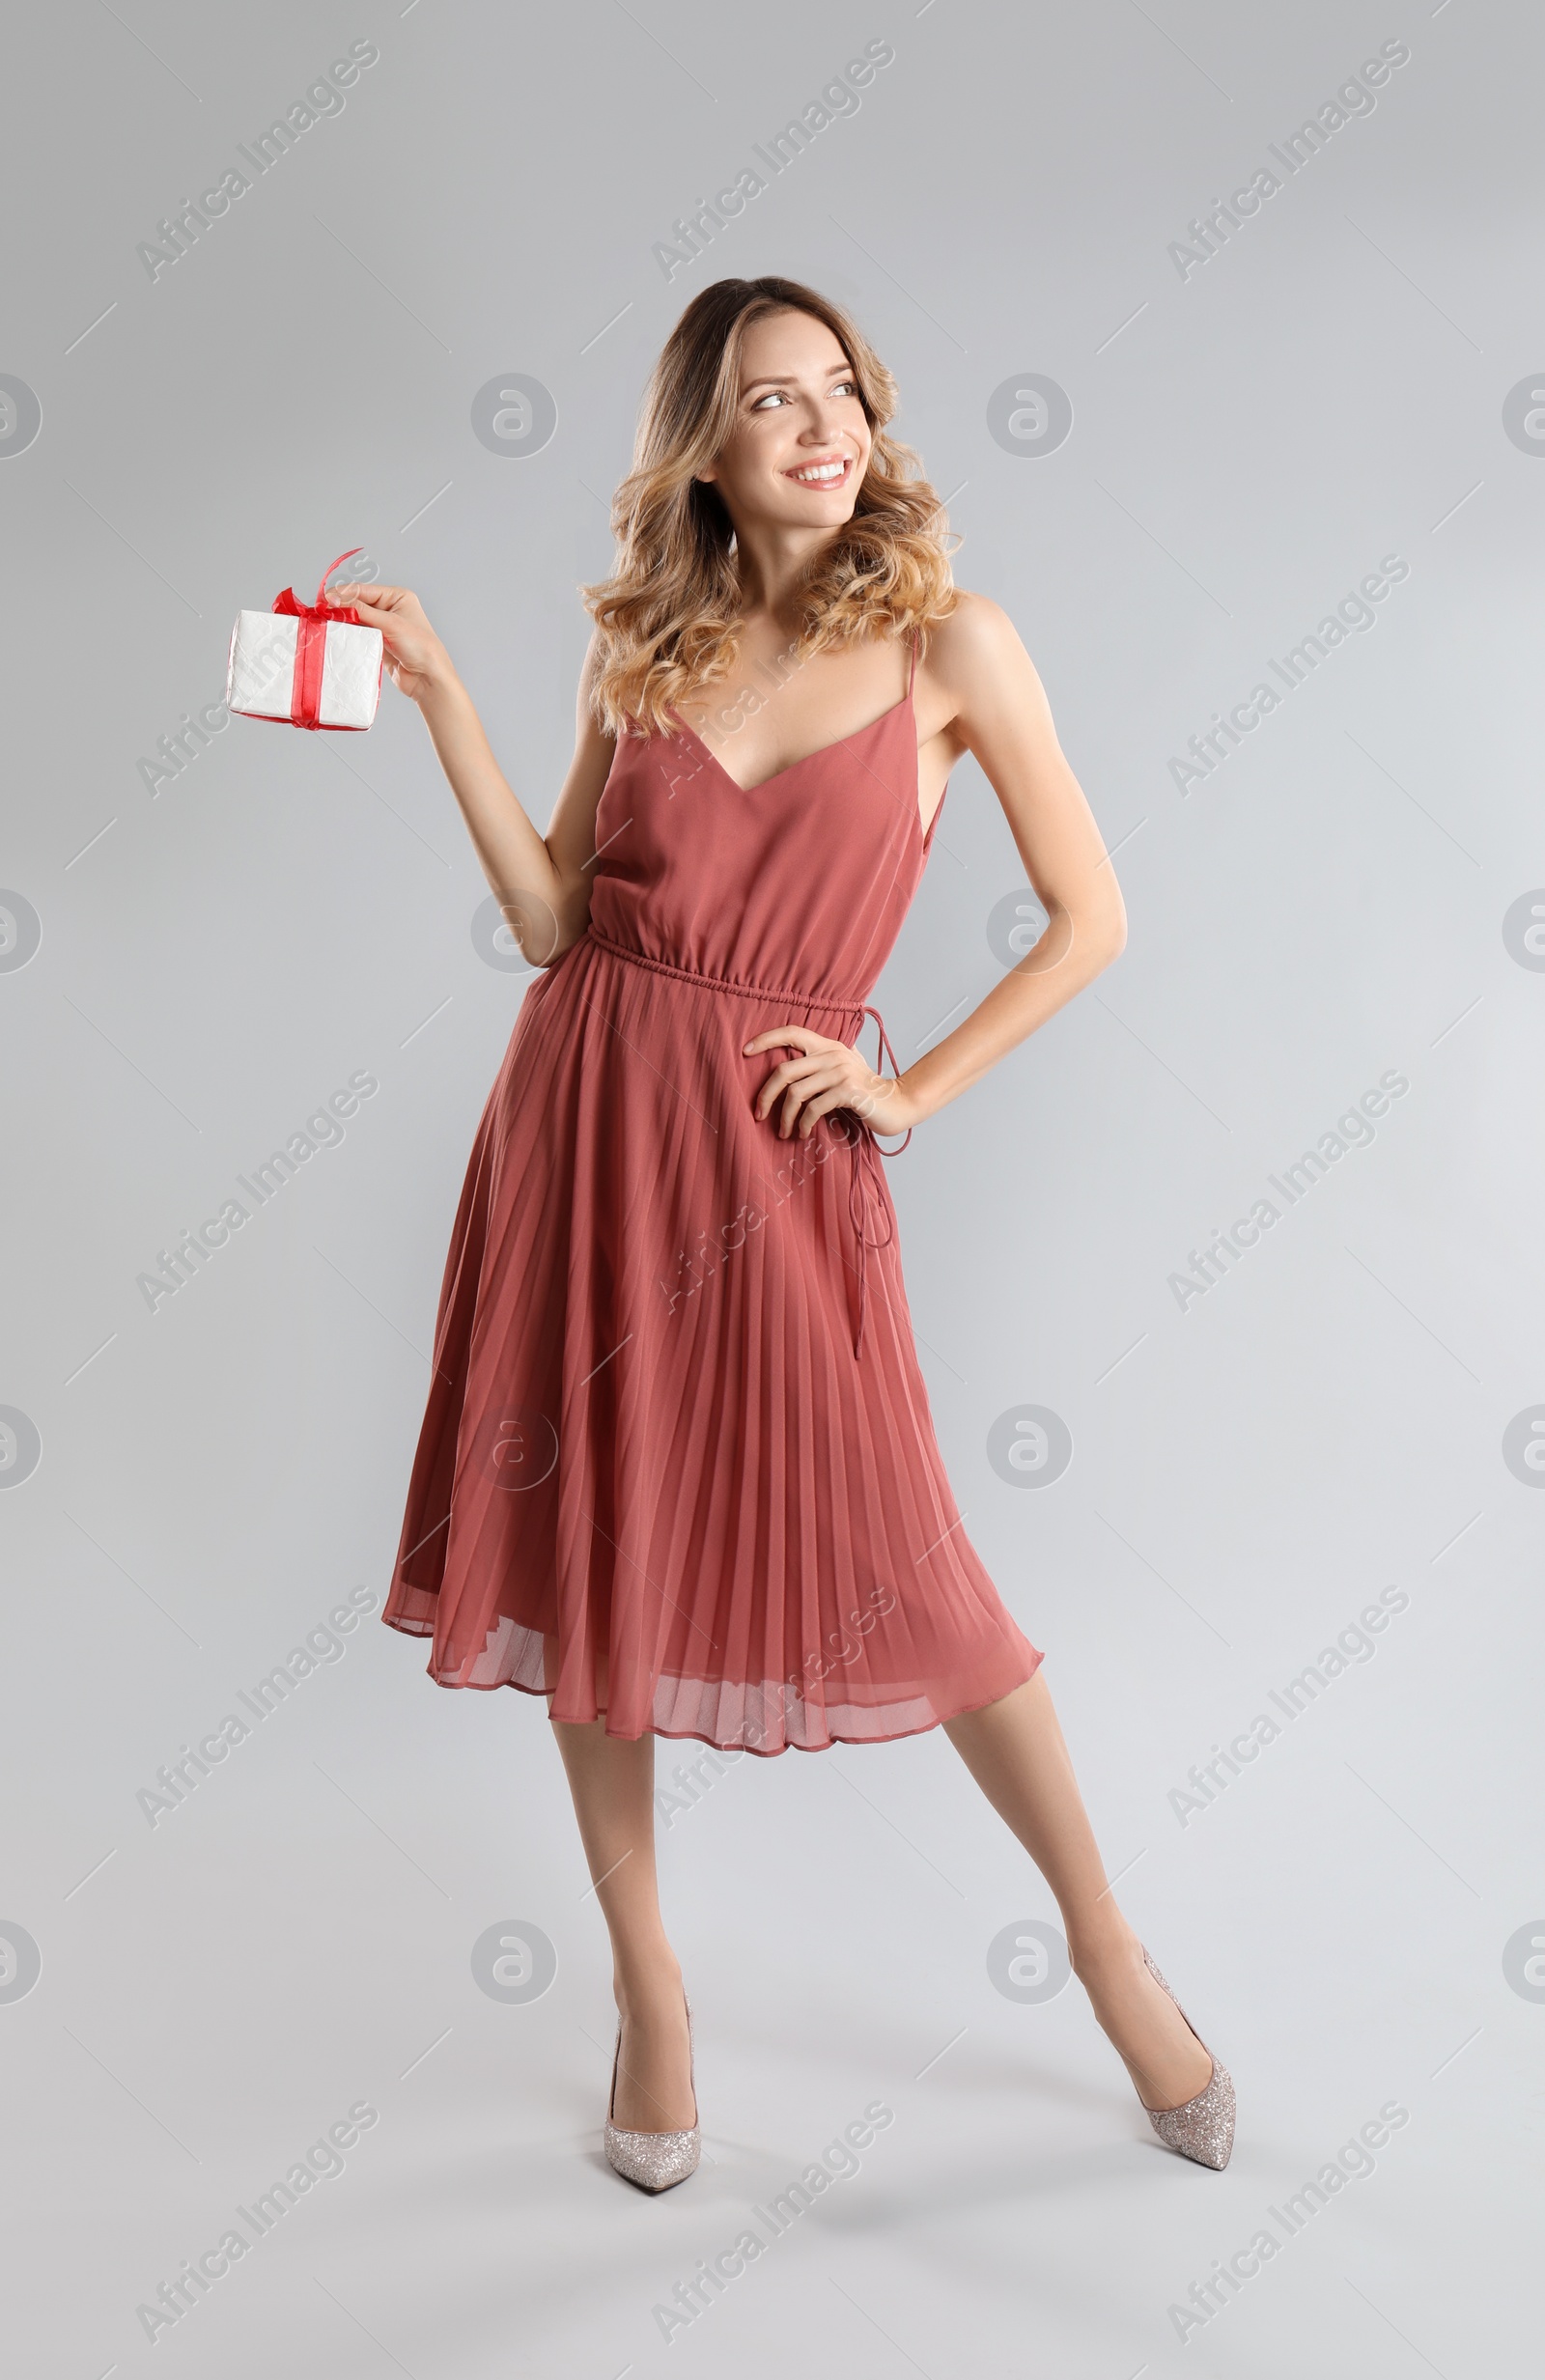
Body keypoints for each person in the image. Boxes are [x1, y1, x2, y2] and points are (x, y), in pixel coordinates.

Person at [333, 275, 1232, 2192]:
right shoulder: (643, 650)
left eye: (838, 391)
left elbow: (1091, 919)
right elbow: (551, 922)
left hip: (771, 1162)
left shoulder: (948, 647)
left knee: (911, 1559)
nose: (820, 427)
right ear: (705, 449)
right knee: (586, 1545)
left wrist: (907, 1090)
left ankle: (1100, 1947)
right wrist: (444, 706)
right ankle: (649, 1993)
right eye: (768, 401)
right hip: (581, 1125)